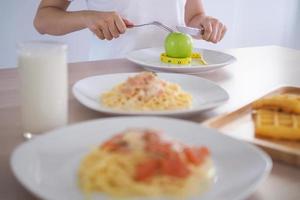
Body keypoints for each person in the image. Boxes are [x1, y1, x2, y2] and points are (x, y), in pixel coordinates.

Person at [34, 0, 226, 60]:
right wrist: (87, 17)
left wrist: (205, 23)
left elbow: (194, 15)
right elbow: (43, 20)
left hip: (175, 76)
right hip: (110, 76)